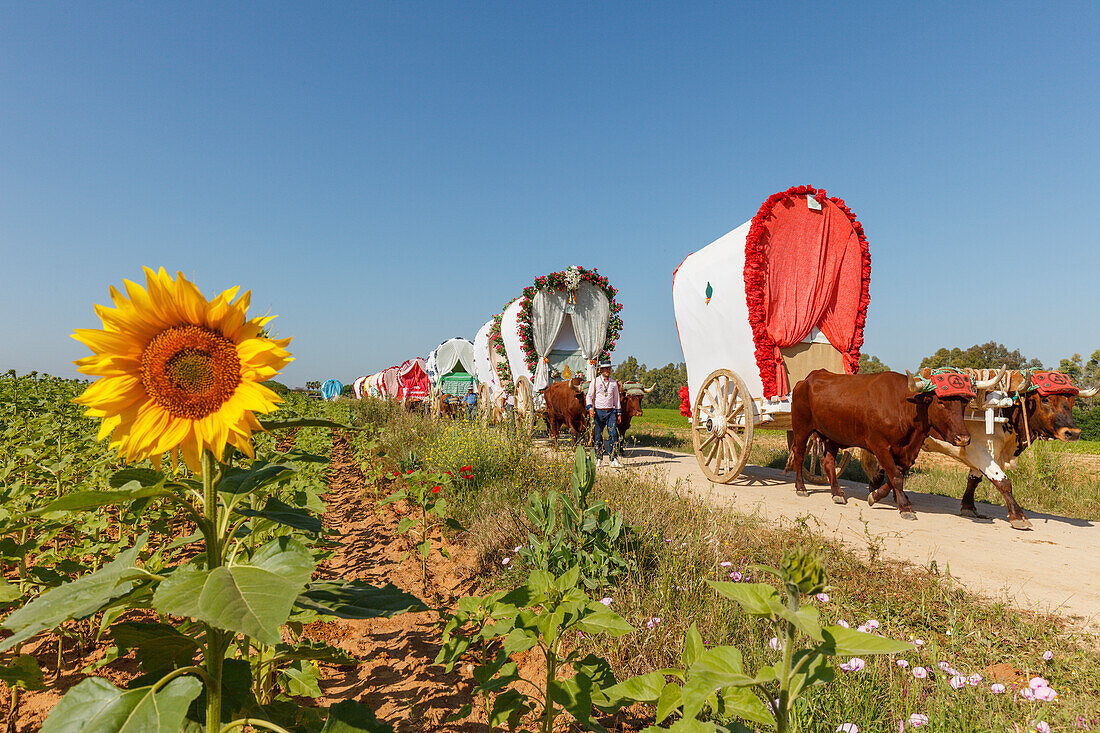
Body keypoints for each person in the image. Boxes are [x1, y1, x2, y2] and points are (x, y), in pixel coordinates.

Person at [586, 359, 621, 467]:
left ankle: (613, 459)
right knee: (598, 436)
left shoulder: (613, 383)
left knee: (613, 434)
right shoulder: (595, 382)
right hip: (598, 412)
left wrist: (619, 413)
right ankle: (598, 458)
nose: (607, 370)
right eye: (605, 368)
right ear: (601, 370)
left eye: (609, 368)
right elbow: (589, 396)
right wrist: (590, 409)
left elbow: (616, 399)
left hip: (611, 412)